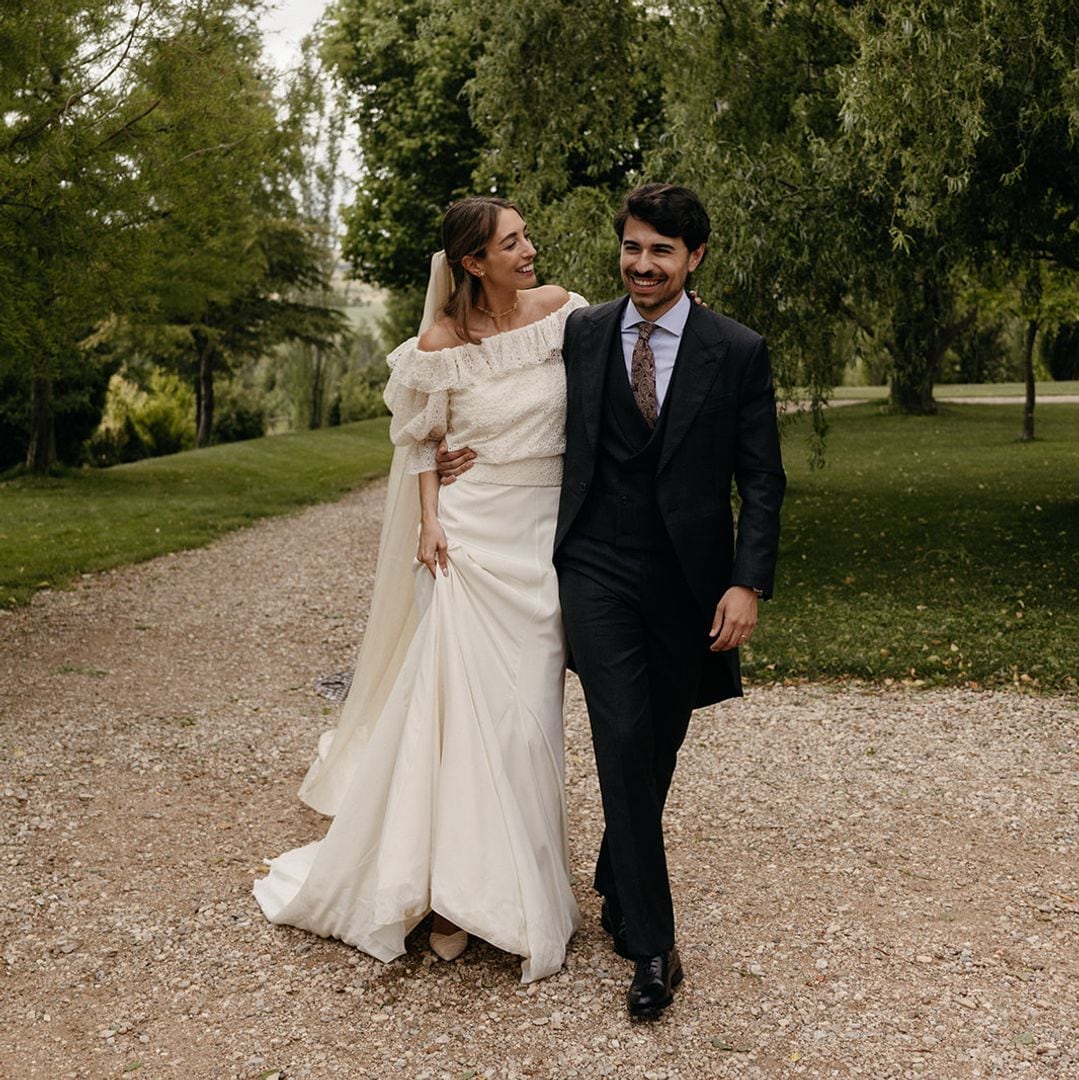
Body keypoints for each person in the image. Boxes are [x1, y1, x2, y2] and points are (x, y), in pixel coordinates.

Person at [439, 183, 785, 1019]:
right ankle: (654, 946)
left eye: (662, 251)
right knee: (623, 736)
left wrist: (746, 581)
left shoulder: (737, 350)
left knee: (659, 741)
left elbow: (762, 478)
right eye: (633, 247)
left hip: (690, 582)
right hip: (594, 567)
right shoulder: (583, 331)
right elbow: (486, 369)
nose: (643, 264)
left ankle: (616, 870)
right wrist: (455, 449)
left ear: (695, 257)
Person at [253, 196, 588, 983]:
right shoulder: (439, 343)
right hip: (469, 541)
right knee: (461, 715)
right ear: (473, 262)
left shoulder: (563, 311)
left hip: (544, 539)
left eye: (526, 237)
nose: (530, 250)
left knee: (527, 718)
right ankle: (445, 895)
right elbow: (422, 444)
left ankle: (516, 880)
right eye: (513, 243)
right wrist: (431, 520)